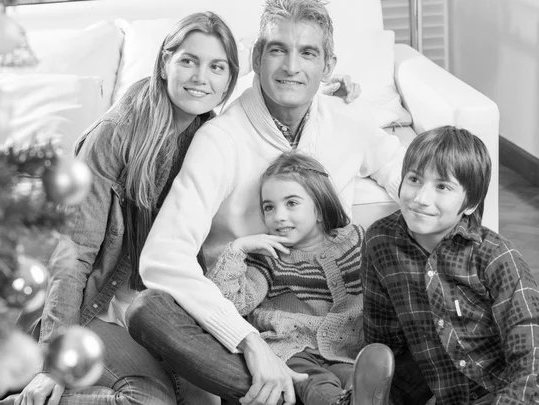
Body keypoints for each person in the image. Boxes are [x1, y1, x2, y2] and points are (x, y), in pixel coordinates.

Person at [126, 1, 406, 404]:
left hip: (334, 329)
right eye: (278, 49)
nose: (291, 66)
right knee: (147, 310)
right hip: (244, 323)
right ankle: (294, 388)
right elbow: (162, 257)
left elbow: (404, 173)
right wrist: (249, 342)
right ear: (256, 57)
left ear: (327, 66)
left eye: (308, 53)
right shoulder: (220, 139)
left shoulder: (346, 122)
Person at [0, 11, 241, 405]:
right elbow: (74, 254)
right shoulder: (114, 136)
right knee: (150, 399)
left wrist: (328, 94)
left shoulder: (211, 139)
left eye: (216, 66)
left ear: (228, 80)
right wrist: (55, 360)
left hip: (157, 311)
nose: (199, 77)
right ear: (164, 63)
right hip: (98, 305)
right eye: (188, 60)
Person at [361, 125, 539, 405]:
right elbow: (384, 339)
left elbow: (531, 353)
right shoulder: (379, 241)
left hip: (500, 392)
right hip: (436, 388)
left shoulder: (496, 256)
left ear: (470, 203)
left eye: (442, 186)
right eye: (414, 179)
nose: (420, 199)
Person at [206, 151, 395, 405]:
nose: (279, 216)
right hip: (291, 348)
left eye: (291, 203)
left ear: (319, 208)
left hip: (344, 352)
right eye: (269, 207)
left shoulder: (356, 240)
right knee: (315, 382)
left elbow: (385, 283)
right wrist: (238, 249)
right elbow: (231, 304)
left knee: (355, 379)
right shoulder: (268, 256)